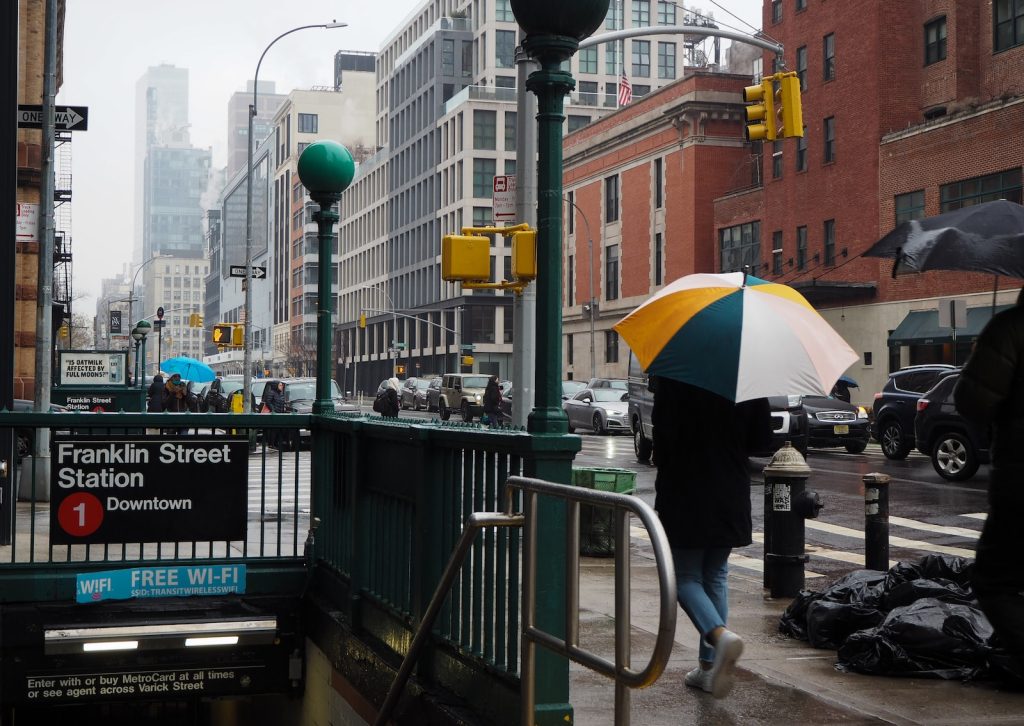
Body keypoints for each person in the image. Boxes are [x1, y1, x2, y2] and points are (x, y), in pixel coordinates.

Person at [652, 375, 771, 699]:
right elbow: (762, 440)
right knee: (716, 573)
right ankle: (707, 668)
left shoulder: (675, 373)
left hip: (686, 487)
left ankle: (719, 637)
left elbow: (662, 439)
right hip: (730, 487)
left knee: (685, 577)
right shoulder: (746, 375)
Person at [953, 289, 1024, 670]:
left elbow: (971, 401)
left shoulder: (1011, 329)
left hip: (1019, 480)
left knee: (994, 580)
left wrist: (982, 353)